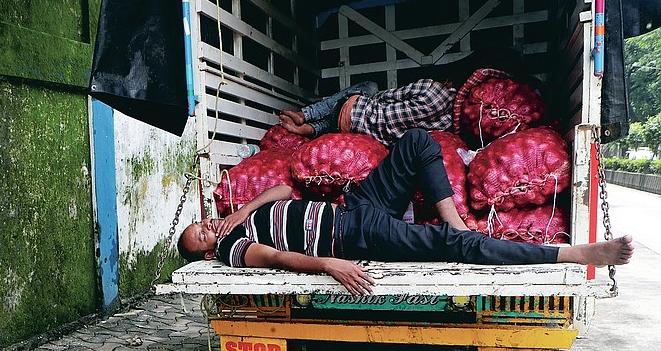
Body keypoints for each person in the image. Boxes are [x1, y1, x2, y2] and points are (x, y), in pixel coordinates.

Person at [179, 129, 633, 295]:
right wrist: (329, 265)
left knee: (418, 142)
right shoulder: (234, 250)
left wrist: (241, 211)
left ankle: (455, 222)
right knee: (451, 247)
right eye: (200, 235)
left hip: (353, 207)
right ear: (205, 254)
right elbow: (277, 258)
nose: (206, 227)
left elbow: (282, 186)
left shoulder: (239, 220)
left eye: (200, 222)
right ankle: (573, 254)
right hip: (351, 239)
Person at [279, 79, 456, 145]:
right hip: (352, 131)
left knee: (370, 86)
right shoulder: (449, 126)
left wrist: (370, 103)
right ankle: (311, 130)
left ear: (448, 81)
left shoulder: (431, 88)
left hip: (350, 109)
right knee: (350, 120)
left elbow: (387, 96)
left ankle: (305, 115)